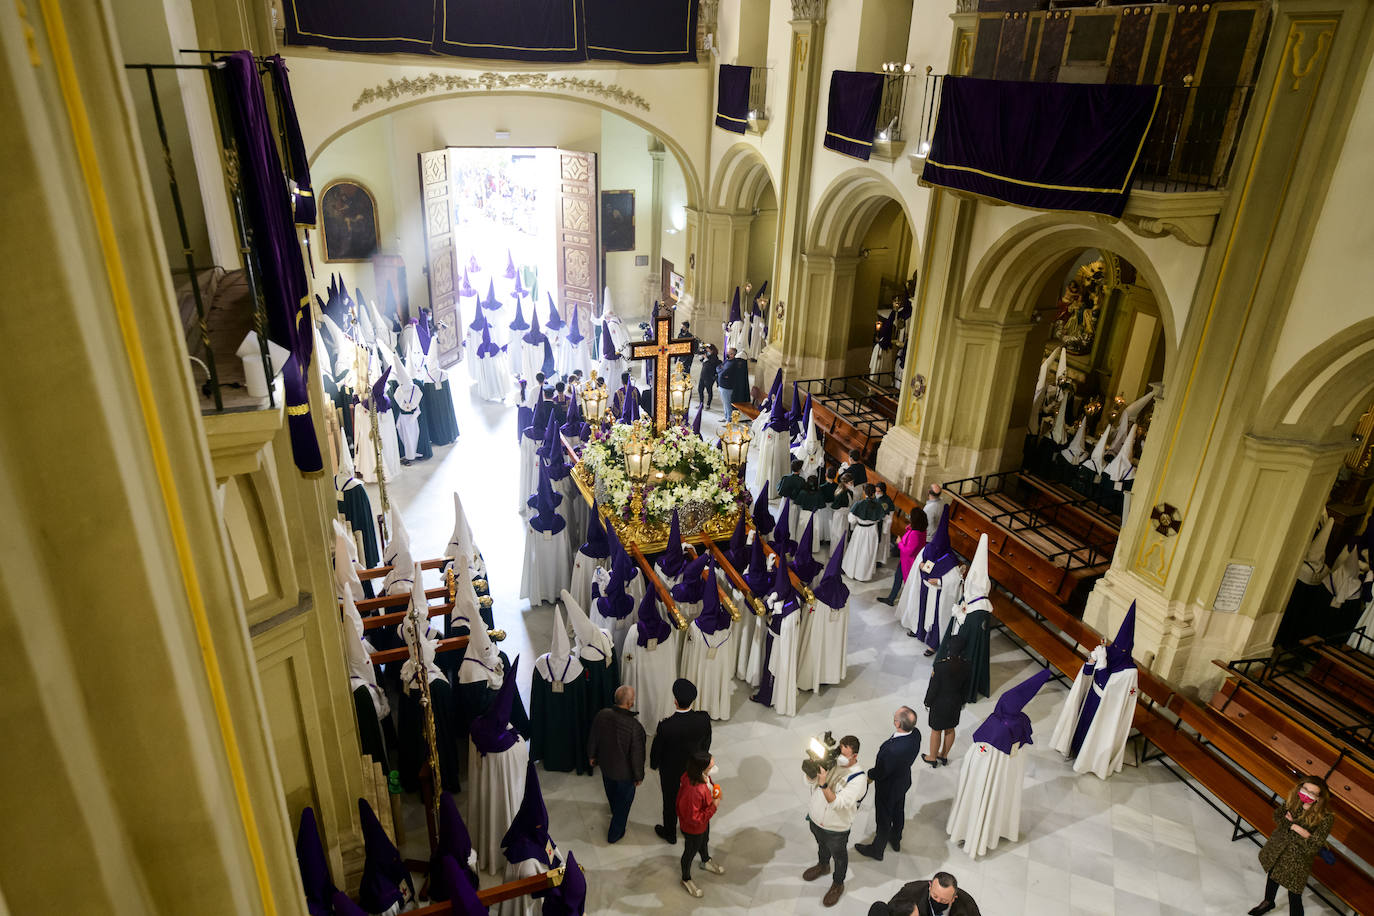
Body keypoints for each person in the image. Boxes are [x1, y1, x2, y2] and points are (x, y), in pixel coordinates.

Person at [1249, 776, 1335, 915]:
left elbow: (1313, 845)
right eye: (1305, 788)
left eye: (1312, 793)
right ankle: (1268, 902)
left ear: (1319, 798)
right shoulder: (1294, 800)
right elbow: (1277, 816)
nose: (1306, 793)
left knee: (1294, 894)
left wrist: (1294, 826)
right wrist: (1303, 832)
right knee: (1272, 876)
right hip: (1279, 848)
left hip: (1298, 858)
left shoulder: (1326, 817)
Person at [803, 735, 868, 908]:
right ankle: (823, 865)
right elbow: (810, 782)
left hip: (836, 828)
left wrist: (824, 784)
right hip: (816, 820)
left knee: (839, 856)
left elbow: (838, 804)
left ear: (855, 756)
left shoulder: (859, 779)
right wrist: (812, 769)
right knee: (821, 845)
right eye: (839, 750)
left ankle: (838, 883)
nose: (840, 756)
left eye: (845, 754)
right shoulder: (833, 763)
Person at [650, 678, 713, 844]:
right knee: (692, 800)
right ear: (693, 700)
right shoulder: (704, 719)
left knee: (670, 801)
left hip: (671, 771)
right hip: (694, 768)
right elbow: (706, 743)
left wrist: (654, 764)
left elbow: (657, 750)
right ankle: (688, 829)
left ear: (675, 702)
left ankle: (670, 833)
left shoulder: (666, 726)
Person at [856, 707, 922, 861]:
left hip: (888, 787)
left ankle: (877, 849)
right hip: (903, 780)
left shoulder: (892, 750)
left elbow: (881, 771)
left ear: (897, 724)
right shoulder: (916, 734)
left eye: (895, 717)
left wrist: (870, 775)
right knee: (899, 810)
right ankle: (896, 838)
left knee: (884, 818)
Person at [587, 685, 646, 844]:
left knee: (611, 793)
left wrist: (591, 755)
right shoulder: (635, 727)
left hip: (606, 767)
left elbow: (594, 736)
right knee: (624, 804)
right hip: (625, 774)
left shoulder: (602, 715)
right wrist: (639, 776)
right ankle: (615, 833)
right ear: (629, 703)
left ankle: (614, 808)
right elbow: (637, 755)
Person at [677, 750, 725, 897]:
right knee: (690, 851)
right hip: (693, 827)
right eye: (711, 767)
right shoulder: (694, 792)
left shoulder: (699, 776)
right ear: (701, 768)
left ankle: (705, 860)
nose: (714, 768)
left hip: (702, 824)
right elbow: (695, 818)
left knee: (704, 841)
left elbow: (708, 783)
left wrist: (713, 790)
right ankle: (686, 878)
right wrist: (714, 805)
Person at [923, 633, 972, 767]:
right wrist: (962, 702)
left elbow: (933, 687)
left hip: (939, 704)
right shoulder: (967, 665)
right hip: (955, 703)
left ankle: (932, 757)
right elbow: (966, 688)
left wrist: (927, 702)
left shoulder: (940, 666)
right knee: (950, 729)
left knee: (936, 730)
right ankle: (944, 756)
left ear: (949, 648)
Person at [867, 873, 981, 916]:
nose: (938, 902)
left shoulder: (967, 905)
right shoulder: (910, 892)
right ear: (930, 887)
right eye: (935, 896)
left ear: (954, 898)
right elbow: (893, 910)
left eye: (944, 901)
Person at [880, 508, 927, 607]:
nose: (909, 517)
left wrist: (899, 543)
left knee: (907, 584)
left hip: (908, 562)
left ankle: (907, 605)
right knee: (898, 578)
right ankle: (891, 598)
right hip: (906, 561)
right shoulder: (921, 530)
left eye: (910, 516)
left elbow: (908, 551)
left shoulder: (915, 534)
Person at [698, 344, 721, 409]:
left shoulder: (715, 357)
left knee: (709, 391)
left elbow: (711, 366)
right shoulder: (707, 355)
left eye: (708, 349)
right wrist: (702, 356)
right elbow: (702, 360)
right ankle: (701, 404)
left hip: (709, 377)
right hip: (703, 375)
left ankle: (708, 404)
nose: (707, 350)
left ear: (712, 350)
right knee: (700, 389)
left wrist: (706, 359)